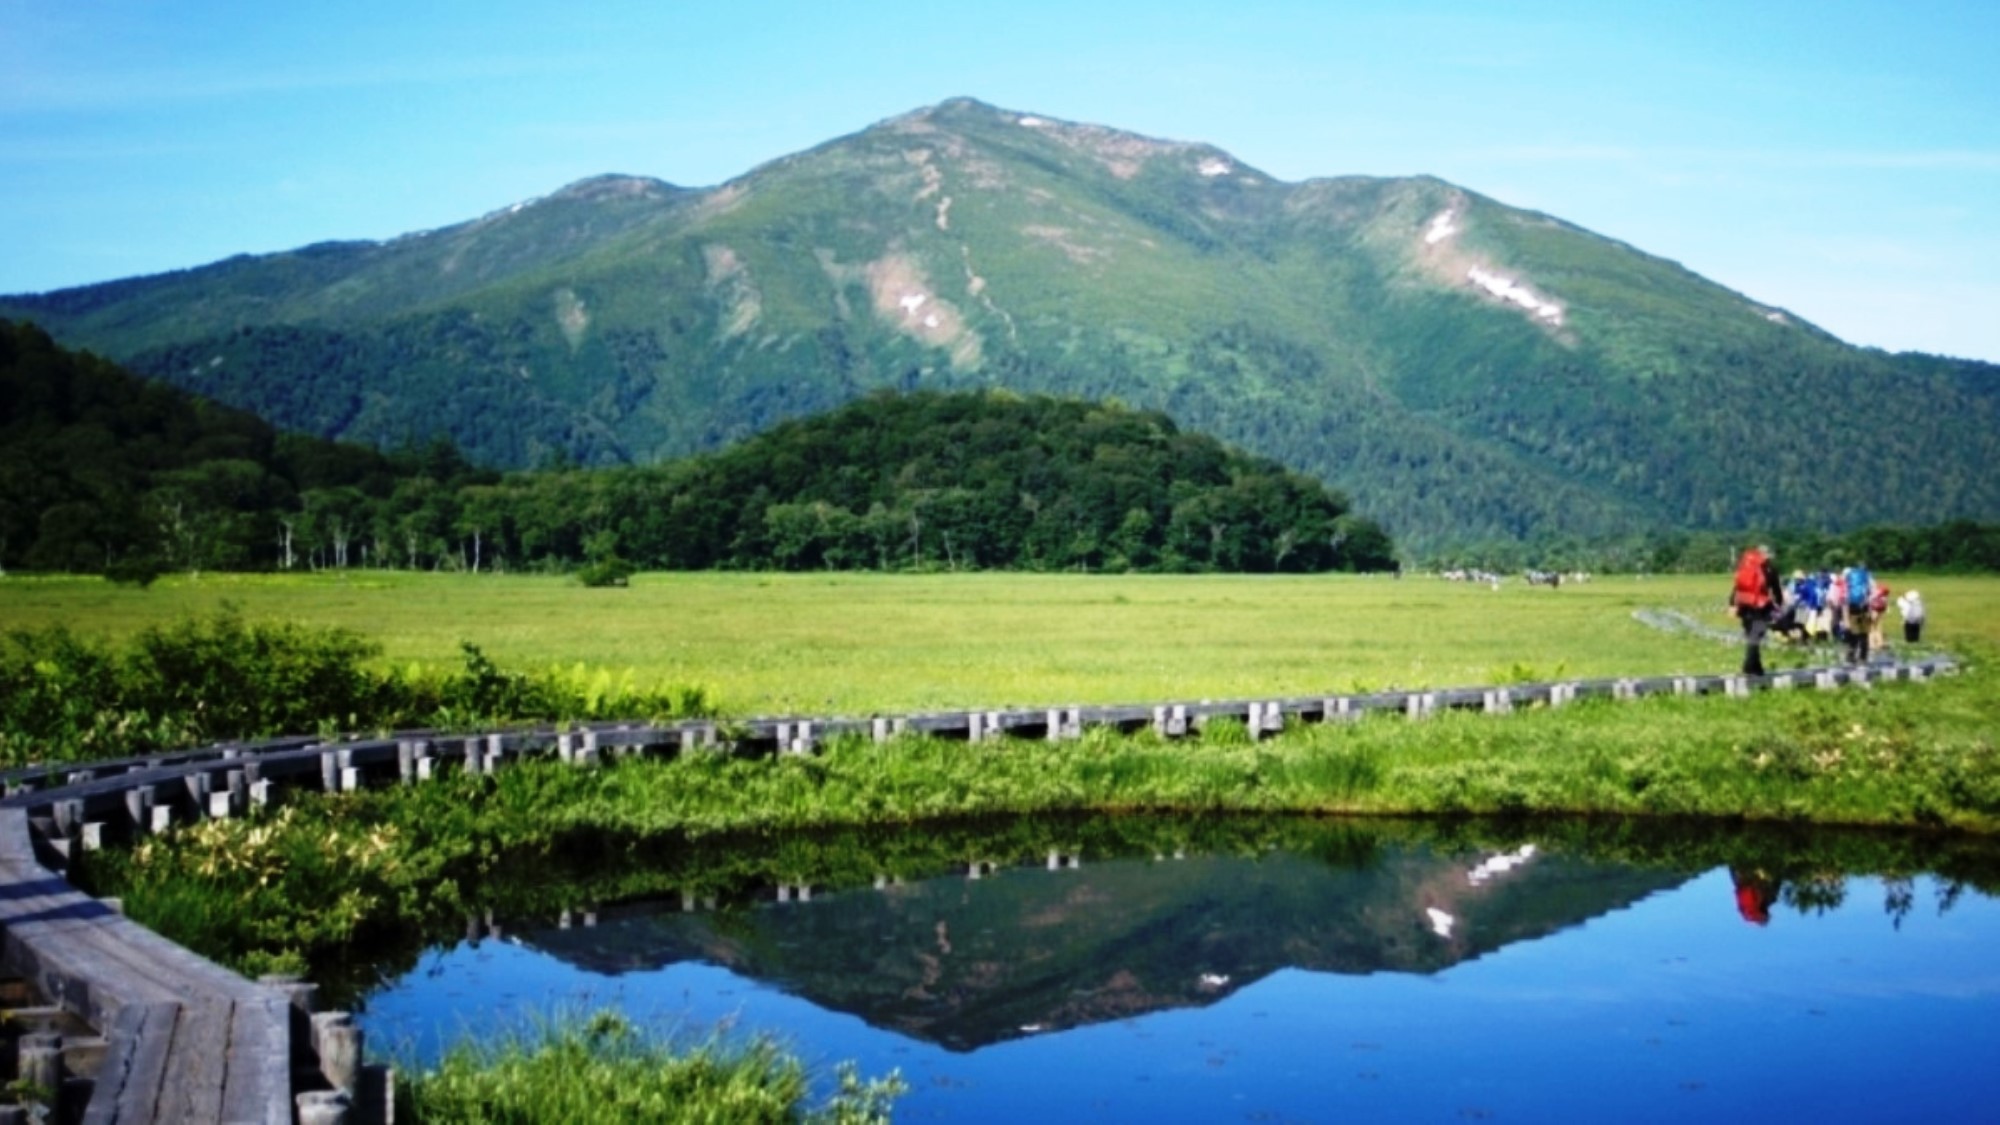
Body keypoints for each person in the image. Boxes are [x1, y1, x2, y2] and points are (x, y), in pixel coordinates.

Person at [1729, 544, 1784, 677]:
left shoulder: (1746, 566)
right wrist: (1779, 604)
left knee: (1751, 636)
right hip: (1760, 607)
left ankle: (1756, 668)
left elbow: (1737, 587)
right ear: (1766, 555)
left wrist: (1732, 604)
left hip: (1744, 606)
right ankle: (1748, 667)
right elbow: (1776, 590)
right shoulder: (1770, 569)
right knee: (1755, 637)